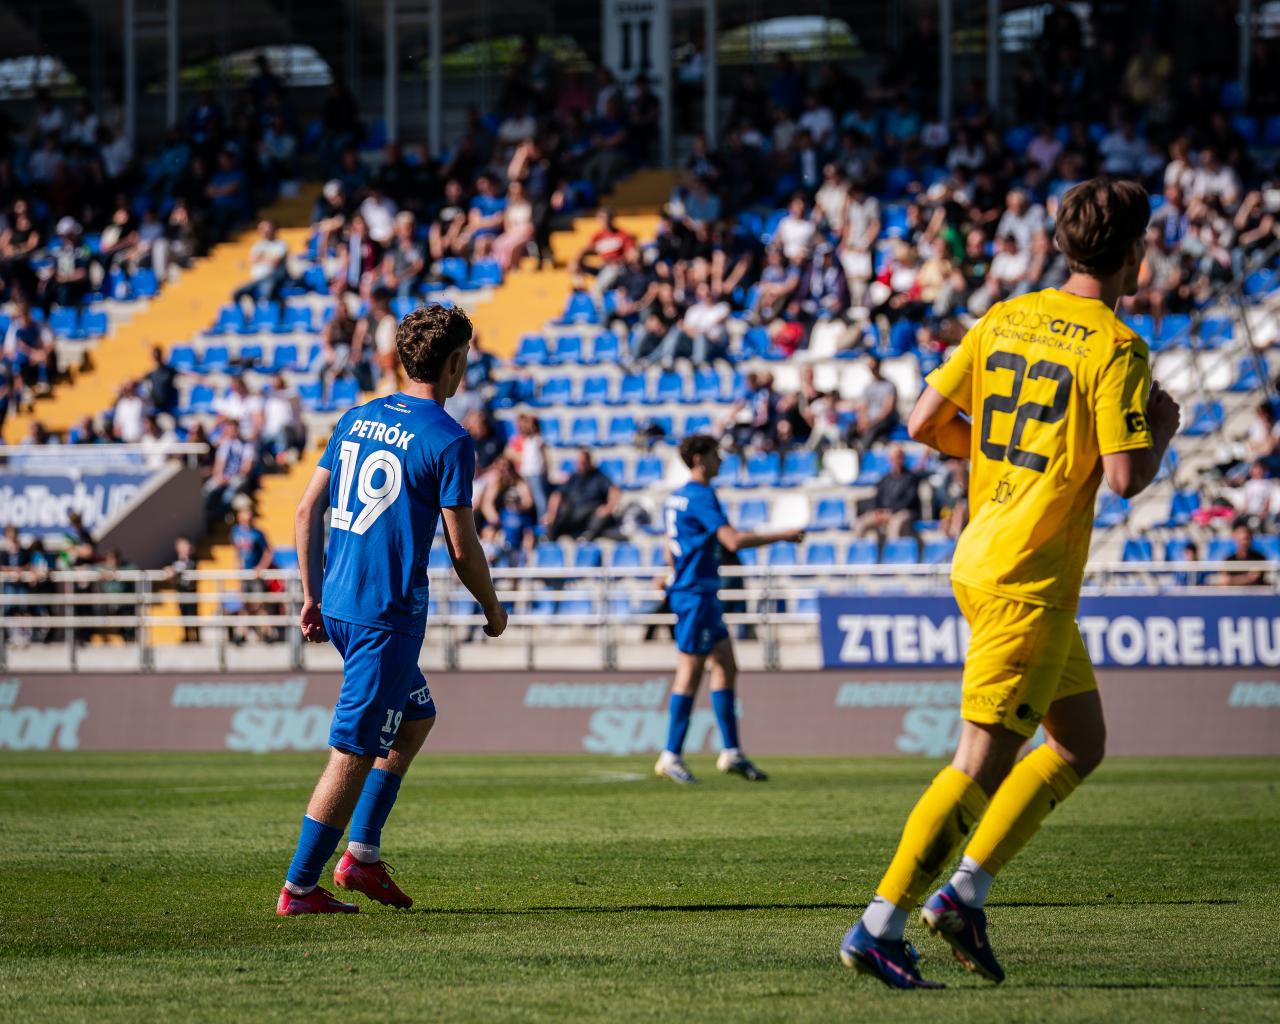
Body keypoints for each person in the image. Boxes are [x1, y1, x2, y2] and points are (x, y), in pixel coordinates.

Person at [840, 177, 1181, 988]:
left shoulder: (1004, 316)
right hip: (1028, 576)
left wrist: (1004, 458)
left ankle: (964, 893)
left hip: (988, 555)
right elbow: (1125, 477)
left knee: (1079, 743)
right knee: (978, 763)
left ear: (1062, 245)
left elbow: (923, 422)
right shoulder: (1117, 347)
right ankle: (879, 926)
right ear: (1135, 252)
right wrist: (1162, 430)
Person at [278, 303, 506, 915]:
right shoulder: (449, 439)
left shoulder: (357, 417)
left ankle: (363, 856)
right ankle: (300, 887)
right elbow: (463, 549)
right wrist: (492, 607)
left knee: (415, 718)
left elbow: (306, 510)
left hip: (341, 602)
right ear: (454, 362)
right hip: (385, 615)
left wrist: (311, 593)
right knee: (353, 750)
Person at [655, 435, 805, 785]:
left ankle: (732, 752)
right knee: (690, 670)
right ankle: (671, 755)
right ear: (698, 459)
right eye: (715, 455)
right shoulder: (700, 495)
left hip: (698, 591)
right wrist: (782, 535)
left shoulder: (677, 498)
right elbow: (732, 541)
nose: (720, 460)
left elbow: (669, 548)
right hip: (696, 594)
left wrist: (673, 574)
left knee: (725, 662)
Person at [544, 450, 621, 542]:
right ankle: (549, 539)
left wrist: (608, 508)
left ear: (589, 462)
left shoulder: (599, 476)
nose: (581, 465)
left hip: (591, 514)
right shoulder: (574, 477)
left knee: (600, 515)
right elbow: (557, 495)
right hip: (573, 514)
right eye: (579, 462)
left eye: (583, 462)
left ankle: (586, 537)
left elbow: (614, 490)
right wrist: (551, 513)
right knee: (560, 513)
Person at [1212, 521, 1269, 587]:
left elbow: (1254, 578)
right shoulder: (1228, 559)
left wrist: (1231, 581)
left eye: (1246, 539)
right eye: (1241, 539)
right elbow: (1224, 580)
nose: (1244, 542)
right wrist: (1245, 578)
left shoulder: (1259, 558)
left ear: (1251, 538)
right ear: (1235, 538)